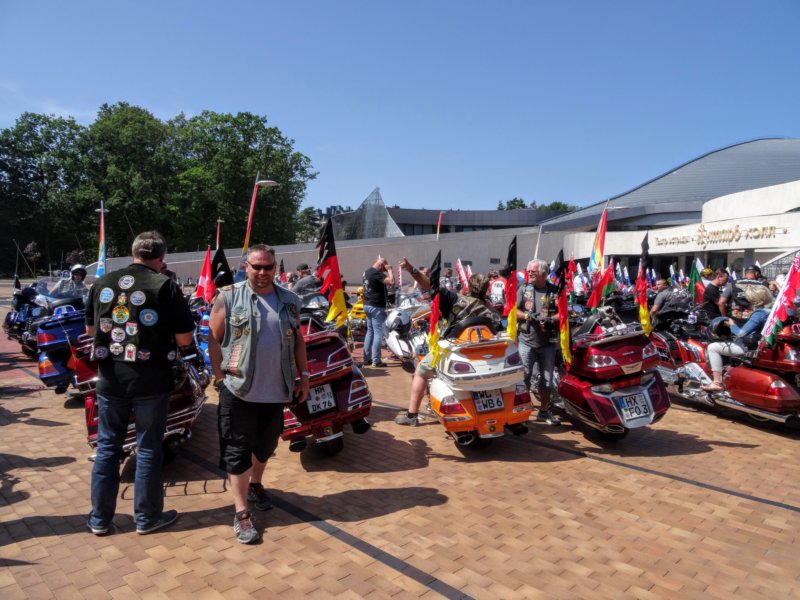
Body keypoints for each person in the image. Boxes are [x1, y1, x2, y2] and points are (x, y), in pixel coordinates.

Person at [85, 231, 195, 536]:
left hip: (110, 378)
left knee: (108, 447)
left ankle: (99, 519)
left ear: (133, 253)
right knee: (148, 448)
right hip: (151, 380)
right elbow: (185, 338)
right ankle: (147, 518)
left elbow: (91, 329)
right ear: (161, 258)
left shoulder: (102, 283)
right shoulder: (164, 285)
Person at [208, 244, 309, 544]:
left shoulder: (290, 300)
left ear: (275, 268)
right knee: (237, 450)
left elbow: (298, 340)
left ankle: (255, 485)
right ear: (246, 266)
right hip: (238, 388)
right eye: (257, 267)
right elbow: (213, 339)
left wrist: (304, 377)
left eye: (268, 267)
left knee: (265, 446)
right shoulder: (228, 296)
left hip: (276, 390)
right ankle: (241, 512)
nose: (263, 272)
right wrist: (219, 378)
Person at [394, 258, 500, 426]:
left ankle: (412, 415)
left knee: (421, 371)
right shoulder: (491, 312)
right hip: (485, 359)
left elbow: (430, 285)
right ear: (487, 289)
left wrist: (412, 269)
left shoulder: (455, 299)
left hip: (453, 353)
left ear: (468, 286)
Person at [702, 285, 774, 392]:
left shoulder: (760, 313)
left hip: (750, 347)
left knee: (712, 347)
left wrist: (731, 324)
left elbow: (741, 333)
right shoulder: (770, 311)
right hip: (761, 345)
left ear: (753, 299)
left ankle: (717, 382)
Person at [516, 259, 561, 425]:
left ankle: (544, 411)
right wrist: (527, 316)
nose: (529, 274)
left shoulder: (555, 291)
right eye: (528, 271)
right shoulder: (523, 288)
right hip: (526, 341)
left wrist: (550, 319)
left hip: (548, 343)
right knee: (524, 378)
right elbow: (513, 310)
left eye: (533, 272)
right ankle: (521, 414)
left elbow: (564, 313)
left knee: (547, 380)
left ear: (543, 273)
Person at [362, 256, 395, 368]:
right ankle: (376, 360)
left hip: (367, 304)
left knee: (370, 332)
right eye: (384, 269)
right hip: (376, 306)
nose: (384, 271)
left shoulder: (366, 272)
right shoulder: (376, 273)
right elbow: (391, 282)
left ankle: (367, 359)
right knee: (378, 333)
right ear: (381, 265)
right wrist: (390, 270)